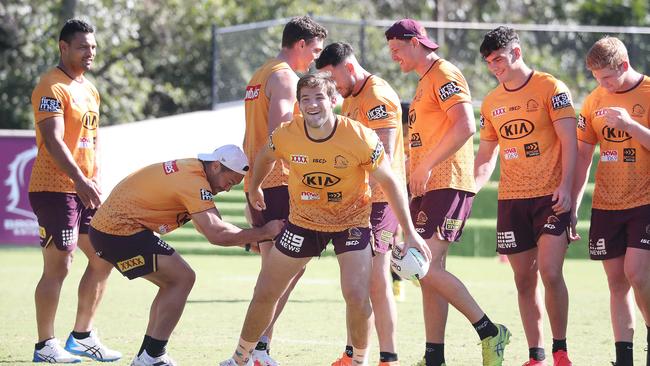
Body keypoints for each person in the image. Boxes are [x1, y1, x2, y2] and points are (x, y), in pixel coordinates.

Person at [220, 73, 430, 366]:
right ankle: (239, 358)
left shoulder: (359, 136)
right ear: (299, 104)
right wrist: (254, 187)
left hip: (351, 223)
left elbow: (391, 181)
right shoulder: (286, 133)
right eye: (305, 99)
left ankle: (358, 361)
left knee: (356, 295)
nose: (312, 105)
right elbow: (266, 156)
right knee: (266, 289)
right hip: (303, 222)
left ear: (334, 101)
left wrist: (409, 231)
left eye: (319, 98)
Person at [385, 18, 510, 366]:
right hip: (428, 185)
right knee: (429, 272)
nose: (394, 57)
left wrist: (425, 166)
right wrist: (414, 169)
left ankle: (489, 331)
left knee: (420, 265)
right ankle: (434, 356)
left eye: (396, 50)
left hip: (448, 180)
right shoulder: (426, 80)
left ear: (414, 42)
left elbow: (465, 126)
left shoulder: (444, 73)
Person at [87, 145, 284, 366]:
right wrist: (265, 232)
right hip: (118, 231)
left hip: (113, 229)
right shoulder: (194, 181)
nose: (228, 189)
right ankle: (152, 356)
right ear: (217, 165)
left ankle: (149, 355)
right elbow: (216, 233)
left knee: (174, 280)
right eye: (229, 182)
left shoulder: (194, 171)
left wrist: (248, 243)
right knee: (182, 278)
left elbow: (206, 223)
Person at [474, 26, 577, 366]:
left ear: (516, 53)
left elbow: (570, 141)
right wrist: (468, 190)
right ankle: (537, 355)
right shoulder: (491, 102)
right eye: (490, 63)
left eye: (499, 59)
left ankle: (561, 351)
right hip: (512, 200)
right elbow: (487, 156)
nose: (495, 67)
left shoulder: (551, 88)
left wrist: (567, 187)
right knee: (523, 280)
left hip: (551, 195)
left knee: (549, 272)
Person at [28, 19, 121, 363]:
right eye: (82, 47)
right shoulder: (51, 87)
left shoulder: (90, 89)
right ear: (63, 47)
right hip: (55, 189)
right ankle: (45, 345)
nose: (90, 53)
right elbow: (53, 141)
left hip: (86, 190)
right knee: (60, 266)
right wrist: (81, 181)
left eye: (93, 47)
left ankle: (82, 335)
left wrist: (93, 180)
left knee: (103, 256)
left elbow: (90, 142)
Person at [242, 15, 327, 366]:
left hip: (262, 182)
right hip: (281, 184)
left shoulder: (259, 74)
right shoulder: (284, 77)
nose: (316, 59)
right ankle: (256, 348)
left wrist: (251, 184)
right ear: (301, 44)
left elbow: (254, 135)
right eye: (315, 51)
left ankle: (257, 349)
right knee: (284, 270)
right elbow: (280, 133)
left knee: (275, 270)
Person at [315, 41, 405, 366]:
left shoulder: (377, 95)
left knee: (377, 281)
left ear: (349, 68)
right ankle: (354, 354)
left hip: (380, 201)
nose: (333, 89)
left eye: (334, 79)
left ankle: (388, 358)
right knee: (356, 283)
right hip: (358, 202)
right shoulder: (351, 98)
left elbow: (385, 153)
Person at [573, 36, 650, 366]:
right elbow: (582, 157)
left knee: (637, 273)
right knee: (616, 282)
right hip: (607, 203)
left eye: (606, 76)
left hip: (644, 199)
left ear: (623, 65)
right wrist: (573, 205)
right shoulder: (593, 101)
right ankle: (624, 357)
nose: (601, 84)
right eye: (596, 78)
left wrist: (630, 125)